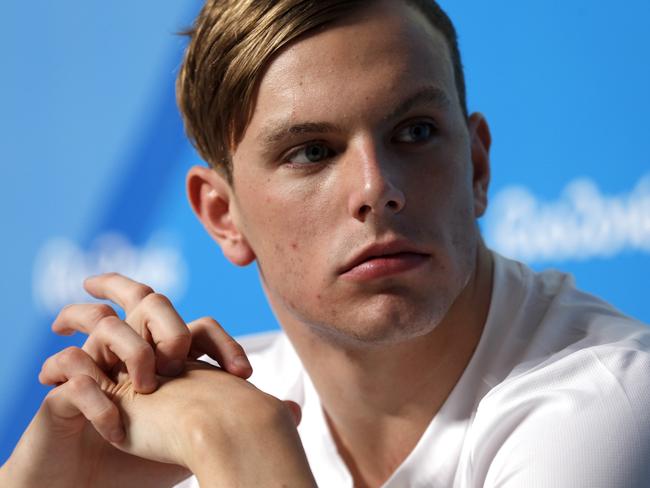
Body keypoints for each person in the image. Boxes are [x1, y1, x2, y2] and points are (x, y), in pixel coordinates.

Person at [2, 0, 649, 486]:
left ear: (477, 168)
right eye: (312, 152)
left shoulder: (609, 403)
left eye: (416, 132)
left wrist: (244, 448)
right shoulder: (185, 414)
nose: (376, 188)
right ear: (223, 216)